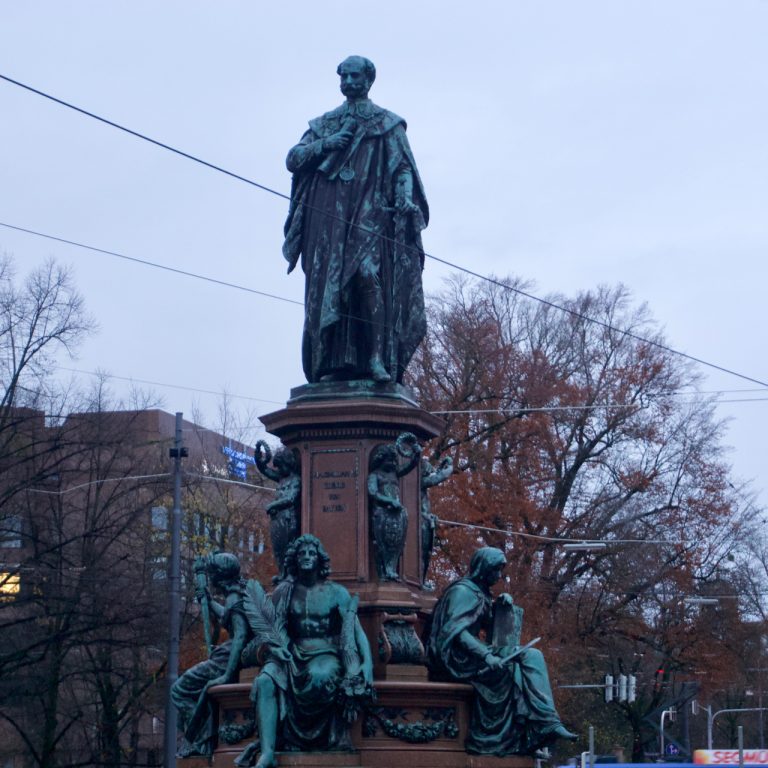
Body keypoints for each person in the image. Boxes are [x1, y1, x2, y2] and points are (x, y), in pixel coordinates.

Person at [283, 55, 429, 384]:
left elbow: (403, 167)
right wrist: (326, 144)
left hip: (369, 211)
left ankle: (375, 358)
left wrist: (404, 197)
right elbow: (293, 159)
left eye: (354, 76)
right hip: (329, 215)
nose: (348, 82)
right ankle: (333, 361)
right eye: (343, 77)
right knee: (332, 288)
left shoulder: (387, 123)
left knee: (367, 276)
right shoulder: (325, 123)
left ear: (368, 80)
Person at [427, 547, 576, 756]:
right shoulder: (462, 592)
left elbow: (490, 629)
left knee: (530, 656)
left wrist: (501, 606)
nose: (498, 576)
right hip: (457, 658)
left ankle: (545, 723)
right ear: (483, 568)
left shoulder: (480, 593)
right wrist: (486, 655)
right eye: (495, 570)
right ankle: (525, 733)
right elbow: (456, 633)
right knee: (513, 667)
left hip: (473, 653)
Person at [242, 535, 373, 768]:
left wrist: (368, 664)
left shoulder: (336, 592)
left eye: (312, 553)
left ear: (320, 559)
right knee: (264, 682)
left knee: (321, 677)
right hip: (289, 654)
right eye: (302, 553)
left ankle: (312, 743)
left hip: (324, 653)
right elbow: (271, 629)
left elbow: (356, 632)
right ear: (294, 559)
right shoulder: (284, 592)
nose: (306, 557)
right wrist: (276, 648)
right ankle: (267, 753)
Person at [171, 552, 252, 757]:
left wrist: (227, 675)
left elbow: (241, 635)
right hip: (226, 655)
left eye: (211, 574)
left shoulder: (235, 598)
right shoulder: (238, 594)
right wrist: (208, 599)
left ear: (218, 576)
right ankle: (202, 733)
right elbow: (228, 615)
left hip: (226, 661)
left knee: (179, 690)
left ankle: (203, 735)